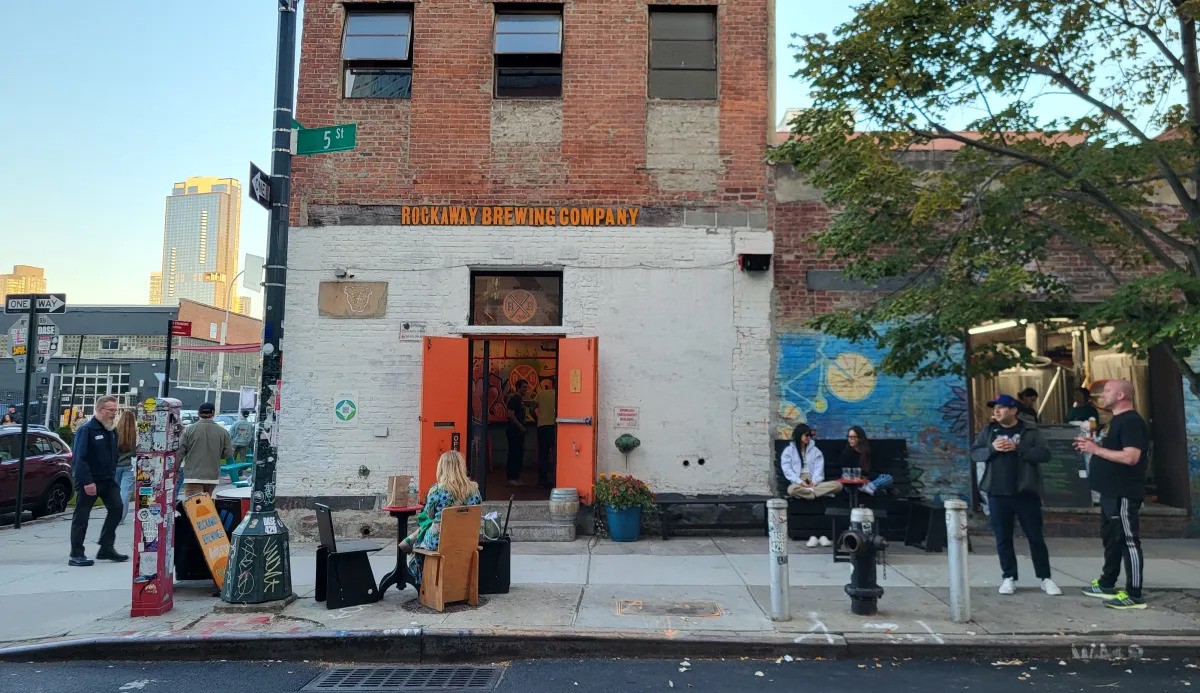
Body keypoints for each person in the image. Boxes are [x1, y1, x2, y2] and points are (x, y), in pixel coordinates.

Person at [970, 394, 1061, 596]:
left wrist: (1019, 448)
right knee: (1003, 537)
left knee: (1035, 536)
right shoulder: (989, 431)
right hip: (997, 491)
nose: (996, 411)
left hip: (1025, 491)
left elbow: (1045, 454)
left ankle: (1045, 578)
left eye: (1001, 407)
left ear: (1013, 410)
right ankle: (1008, 576)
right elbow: (975, 453)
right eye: (994, 408)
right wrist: (991, 449)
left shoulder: (1030, 430)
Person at [1073, 379, 1149, 610]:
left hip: (1123, 492)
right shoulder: (1114, 422)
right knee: (1112, 539)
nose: (1101, 395)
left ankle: (1134, 593)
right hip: (1109, 493)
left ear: (1121, 395)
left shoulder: (1131, 422)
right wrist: (1092, 445)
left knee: (1128, 540)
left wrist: (1096, 449)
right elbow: (1111, 451)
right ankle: (1107, 582)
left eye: (1107, 391)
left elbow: (1131, 457)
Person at [399, 450, 482, 585]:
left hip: (439, 541)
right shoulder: (474, 489)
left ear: (442, 468)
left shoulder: (437, 490)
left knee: (425, 532)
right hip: (467, 539)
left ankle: (423, 581)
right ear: (462, 467)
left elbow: (428, 516)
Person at [69, 395, 128, 566]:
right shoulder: (87, 430)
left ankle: (106, 547)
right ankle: (76, 553)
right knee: (82, 516)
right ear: (99, 410)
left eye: (115, 411)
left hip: (108, 480)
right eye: (111, 410)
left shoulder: (111, 431)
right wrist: (87, 481)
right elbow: (80, 458)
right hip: (90, 480)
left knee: (117, 508)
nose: (113, 414)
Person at [781, 423, 842, 547]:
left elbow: (819, 469)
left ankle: (812, 493)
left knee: (838, 485)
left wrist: (815, 481)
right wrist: (800, 482)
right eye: (806, 435)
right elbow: (787, 470)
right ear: (799, 436)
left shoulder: (815, 451)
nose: (808, 437)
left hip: (814, 483)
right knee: (791, 490)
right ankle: (813, 493)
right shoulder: (789, 451)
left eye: (810, 435)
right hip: (799, 482)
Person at [178, 402, 233, 497]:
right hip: (212, 476)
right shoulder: (223, 432)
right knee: (206, 506)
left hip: (193, 476)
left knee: (195, 506)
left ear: (198, 414)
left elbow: (180, 452)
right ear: (213, 413)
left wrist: (176, 470)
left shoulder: (189, 430)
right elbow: (228, 454)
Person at [114, 408, 138, 525]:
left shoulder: (115, 432)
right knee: (125, 492)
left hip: (116, 465)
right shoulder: (136, 434)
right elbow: (136, 452)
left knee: (115, 491)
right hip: (130, 465)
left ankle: (112, 514)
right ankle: (120, 518)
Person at [505, 381, 531, 487]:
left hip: (519, 431)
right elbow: (510, 415)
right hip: (514, 430)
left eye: (526, 387)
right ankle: (511, 477)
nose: (526, 390)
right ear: (518, 388)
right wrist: (521, 427)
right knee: (514, 453)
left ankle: (516, 476)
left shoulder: (520, 400)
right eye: (524, 387)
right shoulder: (514, 399)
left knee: (519, 454)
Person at [533, 379, 557, 489]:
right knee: (556, 453)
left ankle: (542, 480)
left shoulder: (541, 394)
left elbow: (534, 408)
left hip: (542, 426)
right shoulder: (559, 395)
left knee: (543, 454)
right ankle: (557, 479)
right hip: (555, 425)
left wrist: (539, 417)